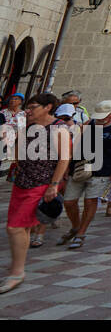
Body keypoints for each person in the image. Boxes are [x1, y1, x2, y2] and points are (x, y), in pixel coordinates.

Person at [2, 93, 71, 293]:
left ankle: (16, 273)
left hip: (40, 184)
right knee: (22, 228)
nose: (28, 111)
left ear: (48, 107)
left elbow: (64, 159)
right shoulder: (29, 126)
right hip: (22, 182)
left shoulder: (59, 128)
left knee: (14, 227)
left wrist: (54, 185)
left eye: (32, 107)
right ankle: (17, 267)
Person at [61, 100, 111, 249]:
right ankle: (76, 226)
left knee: (90, 201)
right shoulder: (89, 123)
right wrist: (67, 166)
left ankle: (81, 232)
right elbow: (77, 144)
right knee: (69, 201)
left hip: (103, 168)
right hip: (81, 167)